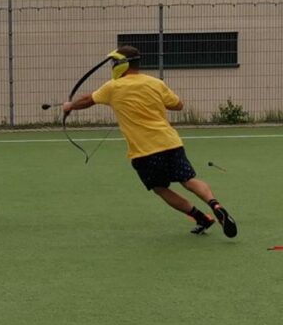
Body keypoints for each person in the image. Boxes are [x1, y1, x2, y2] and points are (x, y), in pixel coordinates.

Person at [63, 46, 237, 238]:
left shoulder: (112, 87)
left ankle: (200, 218)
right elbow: (178, 105)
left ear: (122, 65)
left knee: (160, 188)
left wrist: (70, 106)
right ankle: (215, 205)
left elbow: (88, 99)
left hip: (144, 152)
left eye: (114, 63)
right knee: (188, 180)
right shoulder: (155, 83)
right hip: (171, 143)